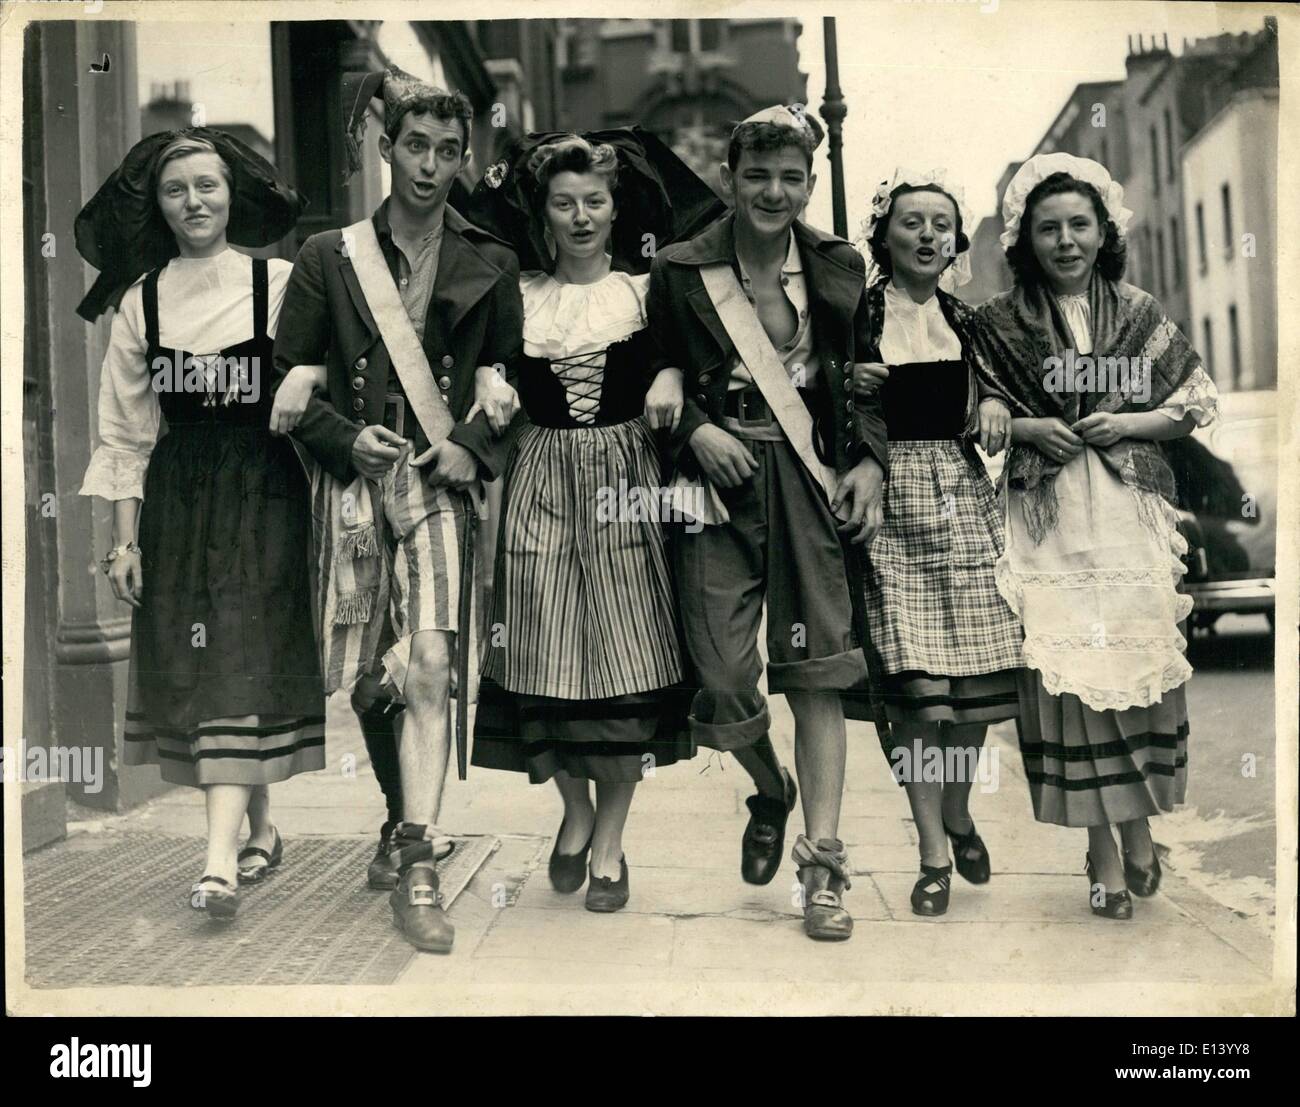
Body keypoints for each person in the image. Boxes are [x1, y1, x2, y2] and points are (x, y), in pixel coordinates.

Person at [270, 66, 525, 953]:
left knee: (428, 664)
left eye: (448, 150)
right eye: (414, 145)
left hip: (436, 485)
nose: (429, 164)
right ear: (388, 147)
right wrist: (345, 439)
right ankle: (397, 813)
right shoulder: (327, 258)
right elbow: (290, 384)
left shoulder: (491, 260)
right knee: (369, 678)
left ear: (464, 158)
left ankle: (418, 861)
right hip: (349, 491)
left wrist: (469, 446)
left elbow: (509, 385)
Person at [460, 130, 722, 911]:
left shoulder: (646, 293)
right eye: (563, 203)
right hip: (541, 475)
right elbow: (486, 359)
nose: (580, 217)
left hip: (628, 481)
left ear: (616, 210)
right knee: (545, 656)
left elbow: (690, 354)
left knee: (625, 659)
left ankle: (608, 839)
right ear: (543, 213)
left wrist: (671, 367)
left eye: (594, 203)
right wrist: (485, 374)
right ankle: (573, 813)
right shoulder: (521, 295)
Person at [645, 105, 889, 941]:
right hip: (716, 482)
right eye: (757, 176)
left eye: (791, 178)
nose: (773, 192)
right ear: (729, 177)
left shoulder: (837, 264)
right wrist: (691, 425)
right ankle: (770, 787)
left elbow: (865, 379)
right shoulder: (682, 267)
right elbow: (646, 364)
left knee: (818, 671)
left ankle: (822, 866)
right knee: (719, 677)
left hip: (809, 477)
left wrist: (870, 462)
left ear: (811, 185)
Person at [76, 128, 320, 921]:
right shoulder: (139, 299)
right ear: (159, 204)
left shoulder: (279, 282)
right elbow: (124, 434)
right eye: (177, 189)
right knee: (207, 662)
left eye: (208, 185)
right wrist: (123, 539)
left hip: (264, 491)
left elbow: (320, 370)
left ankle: (216, 863)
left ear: (233, 193)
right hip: (179, 499)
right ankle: (259, 829)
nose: (195, 202)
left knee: (239, 655)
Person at [975, 153, 1219, 920]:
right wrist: (1023, 424)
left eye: (1080, 223)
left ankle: (1138, 827)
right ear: (1025, 240)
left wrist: (1127, 421)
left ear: (1103, 229)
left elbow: (1191, 403)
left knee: (1131, 672)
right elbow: (972, 420)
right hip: (1046, 525)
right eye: (1048, 228)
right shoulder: (996, 324)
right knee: (1073, 684)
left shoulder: (1140, 313)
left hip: (1127, 515)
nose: (1066, 240)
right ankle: (1107, 851)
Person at [851, 170, 1024, 916]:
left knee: (980, 687)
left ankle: (958, 809)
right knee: (920, 698)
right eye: (912, 222)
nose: (927, 235)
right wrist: (844, 379)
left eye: (941, 225)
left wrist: (989, 401)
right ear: (884, 236)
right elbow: (817, 390)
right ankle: (930, 853)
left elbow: (1003, 384)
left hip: (963, 501)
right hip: (890, 506)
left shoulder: (968, 316)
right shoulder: (855, 315)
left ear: (955, 240)